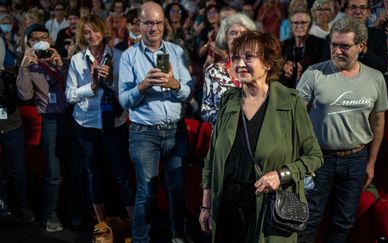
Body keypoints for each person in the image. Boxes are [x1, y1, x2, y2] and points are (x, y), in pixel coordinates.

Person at [199, 30, 323, 243]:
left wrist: (281, 175)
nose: (240, 64)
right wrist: (206, 205)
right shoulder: (229, 100)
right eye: (236, 57)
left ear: (267, 63)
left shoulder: (290, 101)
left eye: (249, 57)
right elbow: (211, 159)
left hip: (267, 208)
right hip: (228, 205)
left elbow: (314, 156)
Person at [296, 16, 388, 243]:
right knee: (308, 219)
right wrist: (301, 159)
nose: (337, 51)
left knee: (343, 221)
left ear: (361, 47)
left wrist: (371, 162)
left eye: (345, 46)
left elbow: (378, 122)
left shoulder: (376, 78)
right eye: (333, 45)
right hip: (318, 158)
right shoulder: (314, 73)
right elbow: (295, 120)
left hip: (356, 159)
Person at [118, 2, 192, 243]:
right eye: (148, 22)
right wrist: (142, 86)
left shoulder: (177, 52)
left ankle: (178, 235)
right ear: (139, 25)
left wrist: (174, 84)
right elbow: (124, 99)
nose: (154, 27)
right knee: (146, 193)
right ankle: (141, 240)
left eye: (158, 22)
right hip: (143, 133)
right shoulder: (129, 56)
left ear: (164, 24)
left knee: (177, 189)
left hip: (175, 130)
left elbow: (188, 92)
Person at [65, 14, 134, 231]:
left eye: (95, 30)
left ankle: (134, 223)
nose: (92, 35)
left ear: (102, 31)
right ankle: (101, 222)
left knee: (122, 173)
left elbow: (128, 94)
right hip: (86, 122)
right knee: (93, 173)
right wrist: (92, 87)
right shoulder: (77, 60)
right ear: (82, 35)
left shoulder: (121, 56)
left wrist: (111, 80)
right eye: (87, 32)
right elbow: (69, 95)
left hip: (115, 122)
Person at [16, 23, 67, 232]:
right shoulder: (30, 66)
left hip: (72, 119)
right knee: (53, 172)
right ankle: (50, 215)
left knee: (74, 168)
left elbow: (72, 88)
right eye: (35, 38)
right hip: (50, 121)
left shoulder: (61, 61)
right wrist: (24, 66)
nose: (41, 41)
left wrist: (61, 65)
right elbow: (25, 95)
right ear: (29, 43)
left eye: (44, 37)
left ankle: (73, 211)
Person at [201, 13, 256, 126]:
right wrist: (230, 122)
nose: (238, 37)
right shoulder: (213, 71)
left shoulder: (257, 70)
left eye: (243, 33)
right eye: (233, 33)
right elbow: (205, 110)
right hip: (222, 134)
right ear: (225, 38)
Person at [0, 70, 35, 222]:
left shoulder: (8, 76)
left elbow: (19, 98)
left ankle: (23, 206)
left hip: (12, 127)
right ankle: (3, 204)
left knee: (17, 170)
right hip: (10, 127)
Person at [323, 0, 388, 74]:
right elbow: (326, 65)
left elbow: (383, 67)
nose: (358, 12)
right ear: (346, 11)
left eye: (363, 8)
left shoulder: (378, 35)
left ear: (368, 12)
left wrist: (364, 50)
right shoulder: (334, 36)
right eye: (353, 7)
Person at [281, 7, 325, 88]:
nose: (299, 26)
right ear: (291, 25)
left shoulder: (321, 44)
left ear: (310, 24)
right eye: (296, 23)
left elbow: (323, 70)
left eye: (303, 22)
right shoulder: (284, 45)